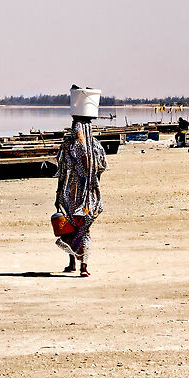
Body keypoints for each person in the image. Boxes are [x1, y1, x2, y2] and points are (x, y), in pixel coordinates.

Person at [51, 111, 108, 276]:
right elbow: (101, 169)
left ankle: (78, 264)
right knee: (78, 228)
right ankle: (80, 264)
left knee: (73, 227)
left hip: (74, 192)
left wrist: (59, 194)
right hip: (86, 193)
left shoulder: (69, 146)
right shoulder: (95, 146)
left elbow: (62, 173)